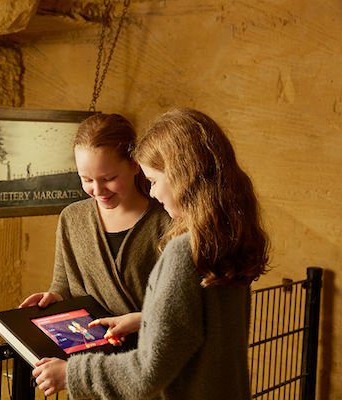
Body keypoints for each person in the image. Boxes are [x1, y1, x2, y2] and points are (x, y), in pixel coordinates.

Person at [32, 107, 269, 399]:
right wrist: (146, 319)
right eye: (86, 179)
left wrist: (71, 372)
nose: (153, 192)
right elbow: (195, 325)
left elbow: (147, 372)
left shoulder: (183, 249)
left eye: (154, 181)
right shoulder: (223, 240)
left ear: (183, 176)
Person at [20, 113, 171, 324]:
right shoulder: (71, 218)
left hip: (149, 349)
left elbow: (178, 309)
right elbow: (63, 284)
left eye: (109, 178)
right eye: (87, 179)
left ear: (135, 164)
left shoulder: (167, 222)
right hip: (89, 346)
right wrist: (55, 298)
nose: (97, 190)